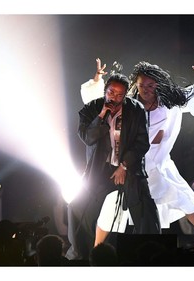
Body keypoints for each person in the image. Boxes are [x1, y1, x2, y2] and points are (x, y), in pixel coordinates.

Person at [80, 58, 194, 259]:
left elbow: (193, 99)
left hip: (158, 166)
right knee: (111, 209)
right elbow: (101, 101)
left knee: (184, 198)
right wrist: (97, 81)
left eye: (150, 85)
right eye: (141, 85)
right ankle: (96, 253)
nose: (145, 89)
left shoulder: (169, 104)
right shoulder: (128, 105)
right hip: (131, 166)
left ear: (157, 85)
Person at [66, 72, 160, 261]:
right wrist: (102, 115)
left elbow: (142, 143)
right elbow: (87, 138)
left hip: (129, 168)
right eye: (111, 92)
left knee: (145, 212)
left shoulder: (136, 110)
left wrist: (124, 166)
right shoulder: (91, 109)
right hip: (100, 170)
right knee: (77, 207)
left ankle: (152, 259)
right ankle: (79, 256)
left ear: (125, 95)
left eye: (119, 95)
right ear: (105, 90)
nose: (114, 98)